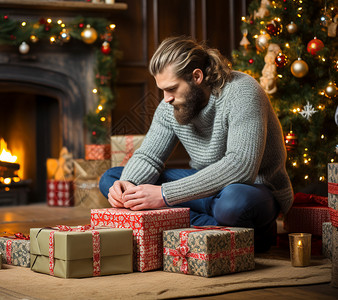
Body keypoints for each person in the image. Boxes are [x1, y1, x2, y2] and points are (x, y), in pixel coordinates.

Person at [99, 36, 294, 252]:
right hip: (202, 188)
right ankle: (228, 232)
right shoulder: (170, 106)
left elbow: (241, 166)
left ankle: (176, 222)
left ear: (197, 76)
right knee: (112, 179)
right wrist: (127, 185)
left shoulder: (242, 91)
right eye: (162, 90)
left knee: (232, 204)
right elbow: (148, 157)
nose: (166, 98)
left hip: (253, 188)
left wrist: (164, 195)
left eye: (172, 88)